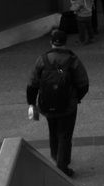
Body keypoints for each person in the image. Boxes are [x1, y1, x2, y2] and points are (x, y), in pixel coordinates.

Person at [26, 27, 90, 177]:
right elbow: (83, 84)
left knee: (53, 131)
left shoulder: (42, 59)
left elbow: (32, 84)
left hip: (47, 105)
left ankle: (55, 156)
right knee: (65, 135)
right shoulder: (72, 60)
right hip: (68, 106)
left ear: (51, 43)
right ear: (65, 43)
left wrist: (31, 103)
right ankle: (62, 167)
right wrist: (75, 98)